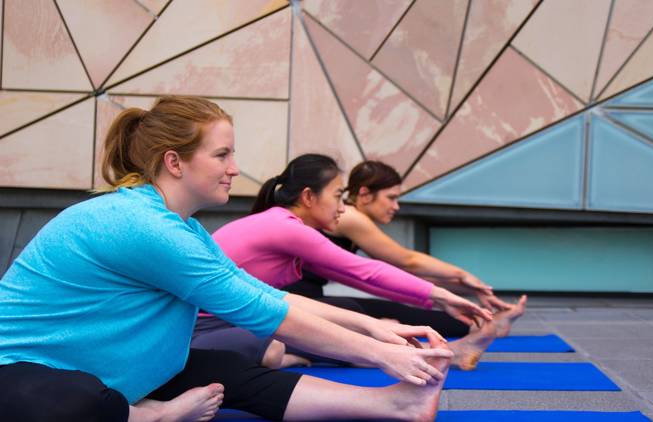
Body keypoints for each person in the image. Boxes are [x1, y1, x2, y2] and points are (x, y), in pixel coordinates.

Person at [0, 96, 453, 422]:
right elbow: (262, 312)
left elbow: (257, 292)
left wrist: (374, 328)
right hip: (20, 370)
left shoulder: (180, 227)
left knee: (225, 371)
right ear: (175, 162)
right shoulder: (143, 226)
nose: (235, 167)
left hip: (98, 365)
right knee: (80, 404)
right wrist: (380, 354)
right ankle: (152, 417)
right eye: (222, 154)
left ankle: (396, 405)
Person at [208, 154, 526, 371]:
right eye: (336, 196)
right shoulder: (286, 228)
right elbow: (368, 272)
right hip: (203, 326)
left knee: (351, 320)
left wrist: (441, 296)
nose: (341, 208)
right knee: (282, 346)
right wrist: (443, 295)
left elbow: (361, 277)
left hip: (231, 317)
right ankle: (285, 357)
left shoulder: (283, 224)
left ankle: (444, 352)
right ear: (308, 197)